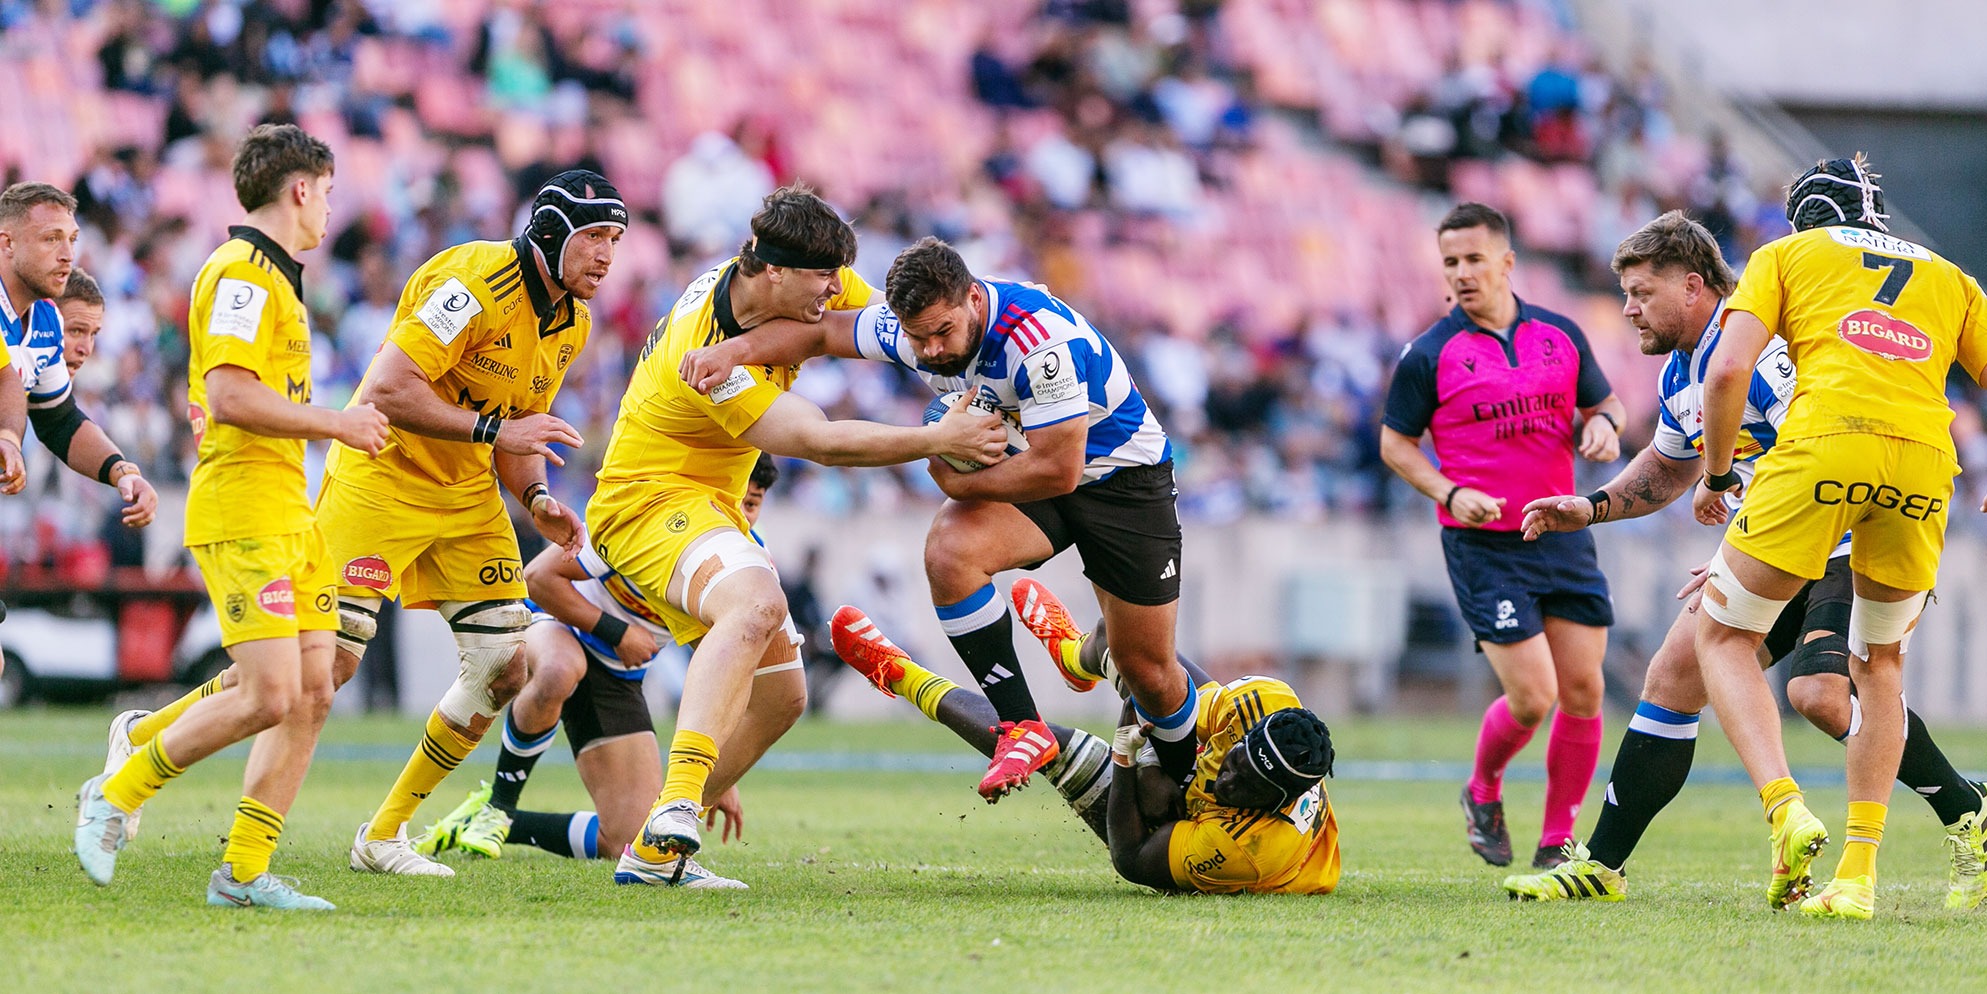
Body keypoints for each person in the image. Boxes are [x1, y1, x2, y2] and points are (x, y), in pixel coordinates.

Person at [1501, 211, 1987, 908]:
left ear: (1694, 287)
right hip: (1794, 540)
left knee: (1816, 693)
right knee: (1675, 675)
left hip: (1841, 538)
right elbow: (1670, 468)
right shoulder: (1680, 373)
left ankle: (1948, 811)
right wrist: (1592, 506)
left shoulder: (1761, 349)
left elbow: (1819, 446)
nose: (1628, 309)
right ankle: (1600, 864)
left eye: (1641, 293)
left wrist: (1741, 546)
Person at [584, 186, 1007, 886]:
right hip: (644, 503)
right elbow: (818, 440)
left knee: (782, 698)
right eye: (820, 280)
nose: (832, 293)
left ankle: (653, 851)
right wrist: (938, 436)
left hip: (711, 505)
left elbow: (889, 321)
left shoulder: (788, 284)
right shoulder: (705, 352)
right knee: (754, 607)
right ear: (774, 272)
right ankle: (678, 806)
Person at [678, 235, 1199, 802]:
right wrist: (734, 353)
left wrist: (958, 483)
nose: (929, 350)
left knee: (1147, 669)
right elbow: (820, 333)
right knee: (951, 553)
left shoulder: (1040, 342)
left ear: (974, 299)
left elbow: (1061, 471)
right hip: (1035, 465)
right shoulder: (915, 329)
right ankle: (1023, 727)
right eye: (916, 336)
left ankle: (1189, 776)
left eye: (941, 333)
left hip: (1122, 483)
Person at [73, 124, 390, 908]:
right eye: (328, 192)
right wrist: (337, 422)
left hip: (292, 511)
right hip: (243, 508)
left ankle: (243, 873)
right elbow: (230, 396)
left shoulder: (279, 279)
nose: (328, 211)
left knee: (315, 689)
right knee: (270, 694)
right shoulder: (242, 275)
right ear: (301, 188)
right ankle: (119, 791)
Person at [1685, 155, 1987, 919]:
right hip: (1922, 464)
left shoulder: (1783, 257)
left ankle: (1786, 809)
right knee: (1879, 666)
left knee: (1720, 637)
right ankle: (1855, 878)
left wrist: (1717, 475)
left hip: (1823, 450)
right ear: (1874, 215)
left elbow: (1725, 374)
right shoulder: (1949, 276)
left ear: (1800, 219)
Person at [327, 169, 626, 877]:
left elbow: (521, 436)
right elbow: (387, 391)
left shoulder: (572, 323)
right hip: (384, 476)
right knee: (322, 667)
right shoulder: (474, 281)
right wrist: (498, 433)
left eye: (615, 238)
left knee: (504, 668)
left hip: (463, 496)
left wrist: (537, 502)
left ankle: (382, 834)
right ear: (549, 233)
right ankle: (148, 740)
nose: (607, 256)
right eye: (593, 237)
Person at [1379, 202, 1626, 870]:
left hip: (1561, 528)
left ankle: (1554, 845)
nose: (1461, 274)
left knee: (1583, 692)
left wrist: (1604, 426)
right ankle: (1481, 787)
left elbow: (1604, 404)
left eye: (1473, 259)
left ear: (1506, 262)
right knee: (1532, 695)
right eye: (1450, 262)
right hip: (1482, 544)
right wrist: (1449, 492)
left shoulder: (1560, 333)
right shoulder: (1428, 354)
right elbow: (1394, 444)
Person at [831, 579, 1340, 895]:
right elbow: (1176, 698)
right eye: (1236, 760)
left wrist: (1124, 757)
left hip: (1179, 829)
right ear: (1249, 734)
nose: (1226, 775)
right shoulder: (1260, 702)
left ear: (1276, 801)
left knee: (1050, 746)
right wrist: (1140, 696)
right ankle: (1077, 656)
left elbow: (1133, 859)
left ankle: (899, 674)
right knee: (1145, 660)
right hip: (1200, 767)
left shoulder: (1250, 850)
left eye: (1244, 784)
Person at [415, 455, 784, 888]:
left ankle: (496, 822)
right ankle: (499, 803)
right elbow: (539, 577)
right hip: (557, 624)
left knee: (630, 836)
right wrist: (617, 631)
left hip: (617, 676)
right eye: (735, 497)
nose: (740, 512)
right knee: (558, 669)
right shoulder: (655, 518)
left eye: (753, 504)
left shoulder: (750, 565)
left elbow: (724, 664)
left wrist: (719, 774)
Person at [0, 189, 158, 530]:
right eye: (51, 239)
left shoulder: (47, 318)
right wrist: (9, 439)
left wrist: (122, 472)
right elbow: (7, 378)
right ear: (7, 244)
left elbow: (59, 420)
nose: (68, 255)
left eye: (71, 239)